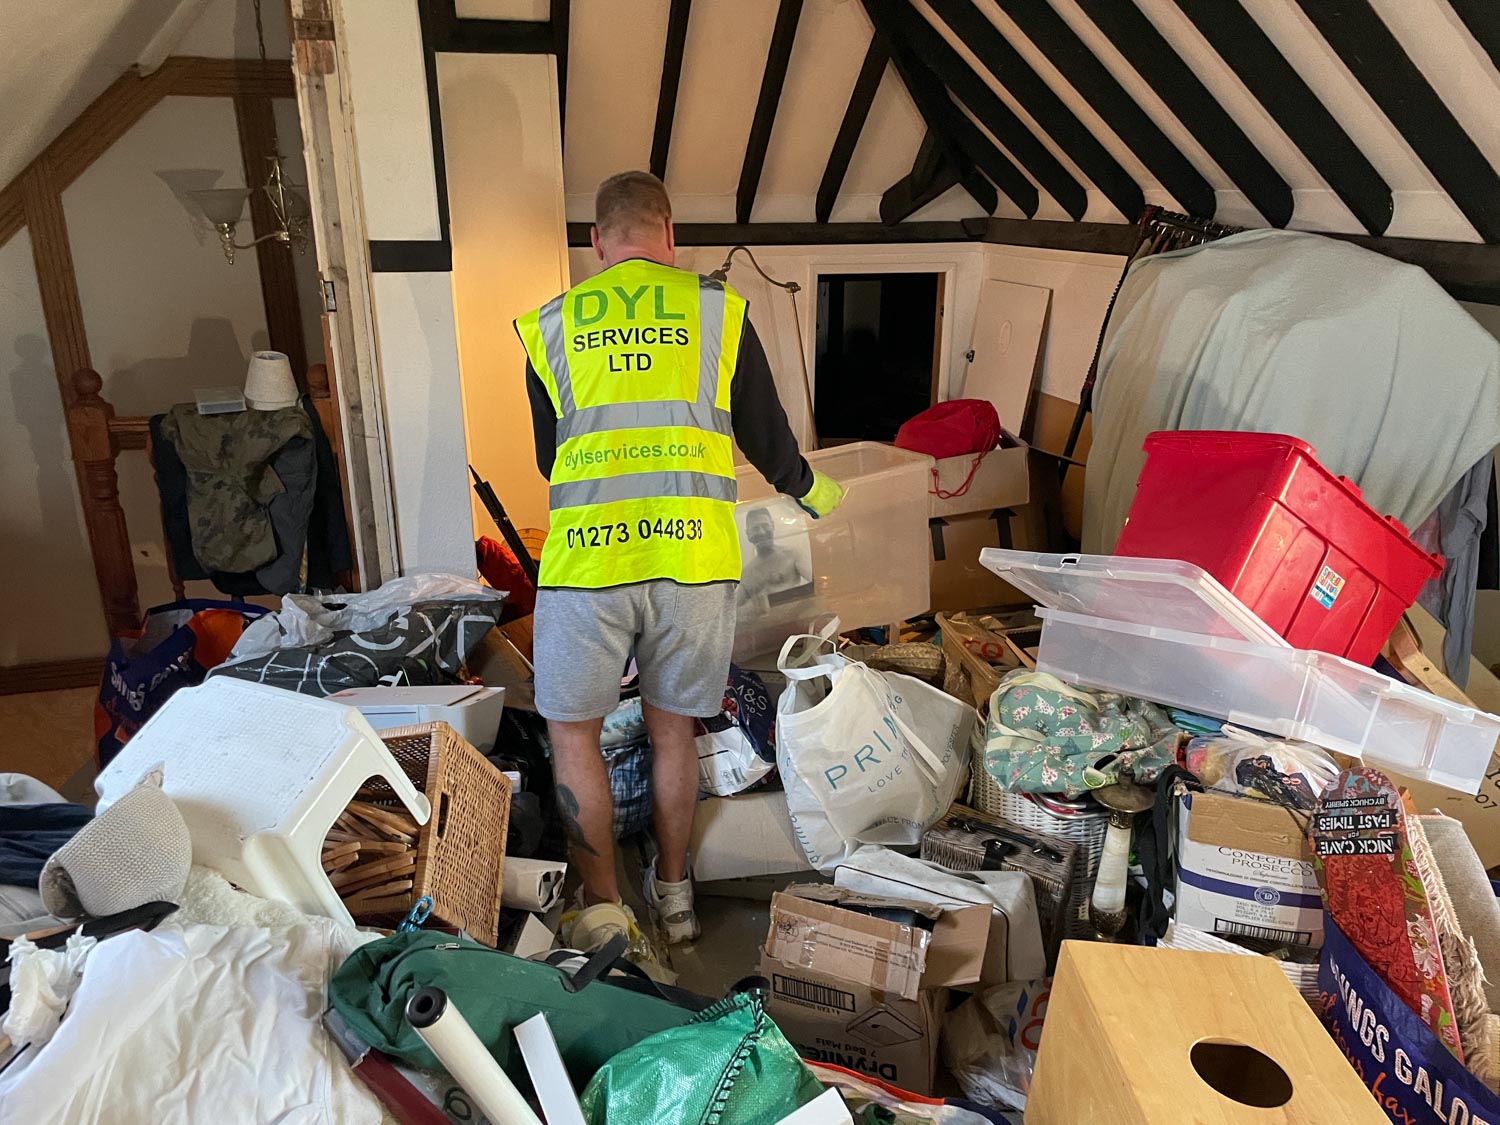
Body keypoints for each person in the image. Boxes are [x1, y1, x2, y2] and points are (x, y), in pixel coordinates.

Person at [515, 170, 844, 953]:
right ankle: (675, 896)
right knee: (672, 733)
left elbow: (549, 459)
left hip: (589, 566)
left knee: (574, 738)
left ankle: (604, 912)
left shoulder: (550, 325)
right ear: (670, 235)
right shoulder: (718, 311)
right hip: (693, 560)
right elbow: (768, 437)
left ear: (596, 242)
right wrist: (814, 491)